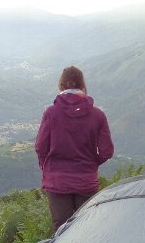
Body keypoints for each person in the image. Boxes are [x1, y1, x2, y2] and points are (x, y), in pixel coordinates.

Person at [34, 65, 114, 232]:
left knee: (61, 231)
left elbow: (40, 147)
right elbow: (107, 151)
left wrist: (47, 167)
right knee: (87, 228)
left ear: (61, 87)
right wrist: (93, 163)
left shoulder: (51, 113)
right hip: (86, 181)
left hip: (57, 182)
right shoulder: (98, 115)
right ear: (83, 86)